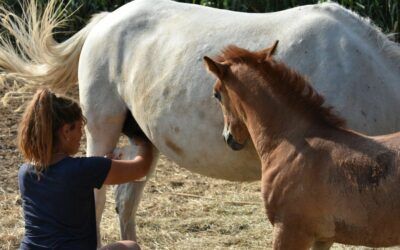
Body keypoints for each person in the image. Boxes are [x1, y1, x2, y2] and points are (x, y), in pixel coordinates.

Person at [17, 88, 154, 250]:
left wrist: (101, 166)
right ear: (66, 131)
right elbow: (141, 168)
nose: (82, 134)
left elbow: (65, 181)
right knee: (130, 247)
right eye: (79, 128)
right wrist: (143, 140)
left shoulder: (25, 172)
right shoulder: (85, 170)